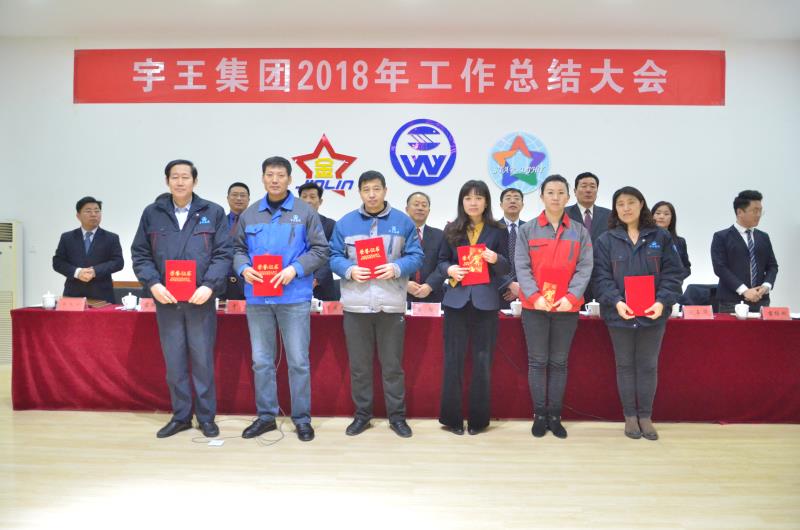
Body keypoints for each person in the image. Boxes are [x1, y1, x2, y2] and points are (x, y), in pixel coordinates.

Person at [131, 160, 232, 439]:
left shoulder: (212, 212)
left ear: (194, 181)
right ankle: (181, 416)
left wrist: (209, 286)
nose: (179, 182)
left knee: (202, 361)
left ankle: (206, 417)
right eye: (174, 177)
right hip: (167, 300)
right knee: (174, 362)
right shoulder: (152, 213)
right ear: (167, 181)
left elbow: (224, 253)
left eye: (185, 177)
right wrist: (153, 283)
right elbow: (140, 253)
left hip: (201, 300)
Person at [234, 157, 329, 442]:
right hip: (258, 297)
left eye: (280, 175)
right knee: (261, 360)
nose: (275, 180)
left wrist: (295, 269)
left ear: (289, 179)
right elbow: (237, 250)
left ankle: (301, 418)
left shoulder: (304, 212)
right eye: (269, 175)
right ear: (263, 178)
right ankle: (266, 417)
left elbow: (320, 250)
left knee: (298, 361)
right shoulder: (250, 214)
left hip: (294, 296)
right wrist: (243, 268)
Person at [329, 170, 424, 438]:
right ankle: (362, 416)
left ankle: (397, 417)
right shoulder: (345, 223)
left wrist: (396, 267)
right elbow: (333, 255)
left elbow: (416, 256)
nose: (371, 195)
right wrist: (349, 270)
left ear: (385, 191)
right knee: (360, 367)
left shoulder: (402, 222)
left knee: (392, 367)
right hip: (356, 306)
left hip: (390, 305)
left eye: (376, 189)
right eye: (366, 190)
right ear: (359, 192)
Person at [593, 186, 683, 441]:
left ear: (641, 204)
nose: (626, 208)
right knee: (624, 366)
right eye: (620, 204)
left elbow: (673, 273)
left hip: (653, 314)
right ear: (615, 209)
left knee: (648, 366)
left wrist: (662, 302)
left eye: (631, 202)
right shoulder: (605, 240)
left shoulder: (660, 237)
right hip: (619, 315)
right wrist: (616, 302)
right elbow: (600, 278)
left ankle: (645, 416)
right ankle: (630, 416)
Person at [516, 175, 593, 439]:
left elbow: (585, 267)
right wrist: (534, 296)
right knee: (538, 362)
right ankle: (539, 415)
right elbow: (522, 266)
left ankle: (555, 416)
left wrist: (571, 297)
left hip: (566, 308)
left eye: (561, 192)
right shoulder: (527, 230)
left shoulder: (580, 232)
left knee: (559, 363)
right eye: (550, 192)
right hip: (535, 307)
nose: (556, 197)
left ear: (568, 197)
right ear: (542, 197)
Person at [437, 180, 509, 436]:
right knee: (453, 361)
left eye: (478, 198)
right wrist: (450, 269)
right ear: (462, 202)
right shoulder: (451, 228)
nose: (473, 203)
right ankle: (452, 419)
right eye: (468, 198)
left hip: (485, 303)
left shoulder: (498, 230)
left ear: (486, 202)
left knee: (482, 361)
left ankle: (479, 420)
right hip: (456, 301)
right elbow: (441, 261)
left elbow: (506, 266)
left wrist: (495, 258)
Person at [711, 190, 778, 313]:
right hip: (731, 301)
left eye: (760, 211)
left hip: (761, 300)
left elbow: (772, 266)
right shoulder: (722, 237)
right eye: (755, 211)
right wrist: (744, 290)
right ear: (739, 212)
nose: (758, 215)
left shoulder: (763, 237)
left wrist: (766, 286)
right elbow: (720, 268)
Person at [52, 196, 124, 303]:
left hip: (102, 295)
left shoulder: (111, 238)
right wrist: (77, 272)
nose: (93, 214)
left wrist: (95, 271)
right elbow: (58, 262)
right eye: (88, 211)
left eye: (97, 211)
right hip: (73, 295)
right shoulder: (67, 237)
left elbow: (118, 262)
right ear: (78, 216)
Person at [566, 172, 611, 302]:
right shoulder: (564, 215)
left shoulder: (609, 216)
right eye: (584, 186)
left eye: (592, 186)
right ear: (575, 191)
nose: (588, 190)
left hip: (601, 277)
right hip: (572, 278)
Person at [298, 181, 339, 301]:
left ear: (320, 201)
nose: (308, 201)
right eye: (304, 197)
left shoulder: (330, 225)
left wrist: (316, 279)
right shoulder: (289, 226)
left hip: (323, 287)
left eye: (312, 197)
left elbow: (332, 255)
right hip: (294, 284)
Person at [405, 191, 445, 305]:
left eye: (424, 205)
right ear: (407, 209)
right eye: (416, 204)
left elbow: (443, 264)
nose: (420, 208)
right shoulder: (397, 235)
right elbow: (391, 261)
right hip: (401, 295)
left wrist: (430, 285)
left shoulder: (440, 236)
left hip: (433, 296)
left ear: (429, 210)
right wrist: (404, 283)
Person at [498, 187, 525, 309]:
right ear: (501, 205)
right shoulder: (492, 229)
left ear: (522, 205)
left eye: (516, 198)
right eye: (508, 198)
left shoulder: (530, 229)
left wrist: (520, 288)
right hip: (498, 291)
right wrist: (509, 284)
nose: (512, 201)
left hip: (525, 291)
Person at [223, 182, 250, 300]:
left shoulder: (256, 223)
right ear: (228, 198)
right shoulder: (219, 222)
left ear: (248, 199)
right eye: (234, 195)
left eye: (243, 195)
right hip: (223, 282)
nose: (239, 198)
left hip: (248, 280)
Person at [652, 201, 691, 277]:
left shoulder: (680, 242)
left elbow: (686, 268)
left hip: (672, 283)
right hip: (649, 283)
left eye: (666, 214)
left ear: (672, 218)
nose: (661, 216)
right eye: (658, 213)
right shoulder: (642, 239)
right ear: (652, 216)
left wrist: (675, 278)